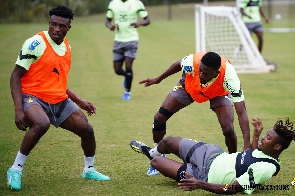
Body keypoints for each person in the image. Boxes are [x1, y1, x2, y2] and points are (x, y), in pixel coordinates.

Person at [7, 5, 110, 191]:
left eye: (61, 26)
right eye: (53, 24)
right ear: (49, 23)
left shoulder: (66, 46)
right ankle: (15, 169)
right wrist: (18, 109)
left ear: (68, 27)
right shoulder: (35, 44)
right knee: (41, 124)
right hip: (33, 97)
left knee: (87, 129)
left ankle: (89, 169)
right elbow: (15, 76)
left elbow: (58, 81)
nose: (56, 29)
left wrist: (80, 101)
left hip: (59, 100)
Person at [139, 52, 251, 176]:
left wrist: (246, 145)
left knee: (229, 129)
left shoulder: (229, 77)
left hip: (218, 93)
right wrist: (157, 79)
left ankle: (232, 163)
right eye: (200, 70)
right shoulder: (192, 62)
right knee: (159, 118)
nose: (201, 74)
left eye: (206, 73)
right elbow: (178, 64)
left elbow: (242, 113)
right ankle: (158, 154)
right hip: (189, 86)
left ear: (216, 72)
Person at [130, 116, 295, 194]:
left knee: (157, 162)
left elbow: (232, 188)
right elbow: (251, 153)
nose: (264, 139)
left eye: (268, 138)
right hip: (211, 154)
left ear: (277, 146)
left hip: (203, 175)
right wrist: (257, 135)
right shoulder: (264, 151)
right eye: (266, 135)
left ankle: (152, 156)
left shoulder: (265, 168)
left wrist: (199, 184)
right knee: (167, 141)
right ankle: (150, 151)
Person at [105, 0, 150, 100]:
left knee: (128, 65)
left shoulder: (136, 3)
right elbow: (107, 21)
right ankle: (127, 76)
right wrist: (110, 26)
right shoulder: (113, 3)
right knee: (117, 70)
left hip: (132, 39)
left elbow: (147, 20)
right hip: (118, 41)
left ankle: (127, 92)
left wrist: (139, 23)